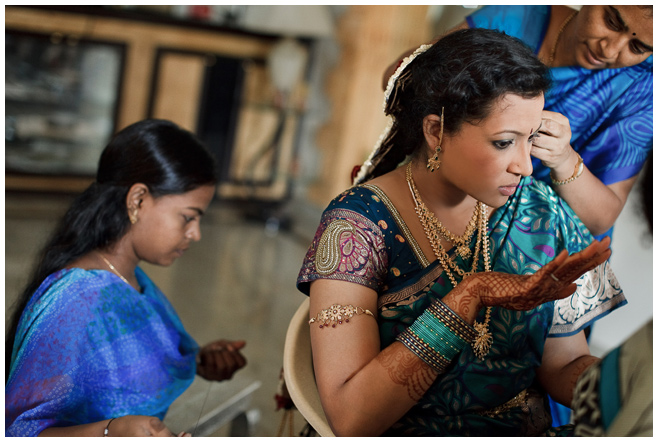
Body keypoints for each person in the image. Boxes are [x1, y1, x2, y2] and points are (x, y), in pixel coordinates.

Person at [297, 28, 625, 436]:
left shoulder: (536, 211)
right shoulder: (356, 228)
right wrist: (471, 294)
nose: (524, 165)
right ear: (435, 131)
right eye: (504, 142)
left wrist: (630, 386)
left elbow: (562, 364)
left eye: (531, 139)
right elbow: (353, 418)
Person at [5, 119, 248, 437]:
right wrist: (111, 431)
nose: (196, 234)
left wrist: (197, 360)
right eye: (188, 217)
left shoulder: (131, 280)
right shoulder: (77, 298)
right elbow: (17, 432)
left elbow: (127, 361)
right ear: (138, 201)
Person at [383, 5, 653, 240]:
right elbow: (402, 81)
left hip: (540, 252)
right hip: (443, 211)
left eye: (638, 47)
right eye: (612, 21)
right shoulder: (515, 18)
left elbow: (601, 219)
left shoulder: (642, 91)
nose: (610, 49)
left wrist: (563, 158)